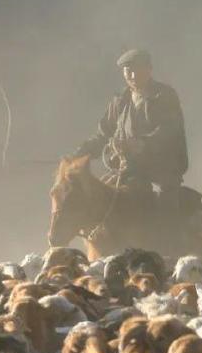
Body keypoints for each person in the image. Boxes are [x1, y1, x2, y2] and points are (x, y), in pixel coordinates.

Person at [71, 49, 188, 226]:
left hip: (160, 170)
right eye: (128, 71)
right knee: (98, 198)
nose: (132, 76)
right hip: (127, 170)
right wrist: (79, 154)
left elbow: (169, 131)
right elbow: (104, 134)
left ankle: (170, 249)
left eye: (137, 70)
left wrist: (139, 144)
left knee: (165, 210)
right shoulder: (120, 100)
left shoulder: (164, 96)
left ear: (149, 69)